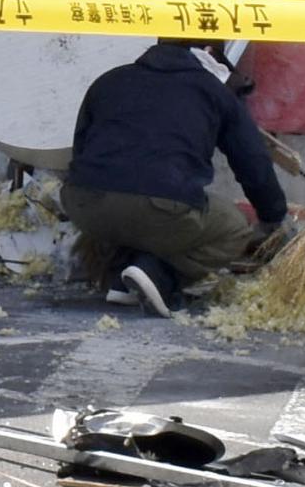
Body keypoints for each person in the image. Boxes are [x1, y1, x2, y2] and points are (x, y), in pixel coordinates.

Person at [61, 38, 290, 314]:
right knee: (234, 227)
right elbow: (253, 163)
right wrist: (273, 216)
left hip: (83, 204)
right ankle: (159, 276)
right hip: (161, 207)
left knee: (130, 209)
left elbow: (81, 149)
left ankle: (121, 277)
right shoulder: (214, 91)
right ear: (208, 53)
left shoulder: (109, 81)